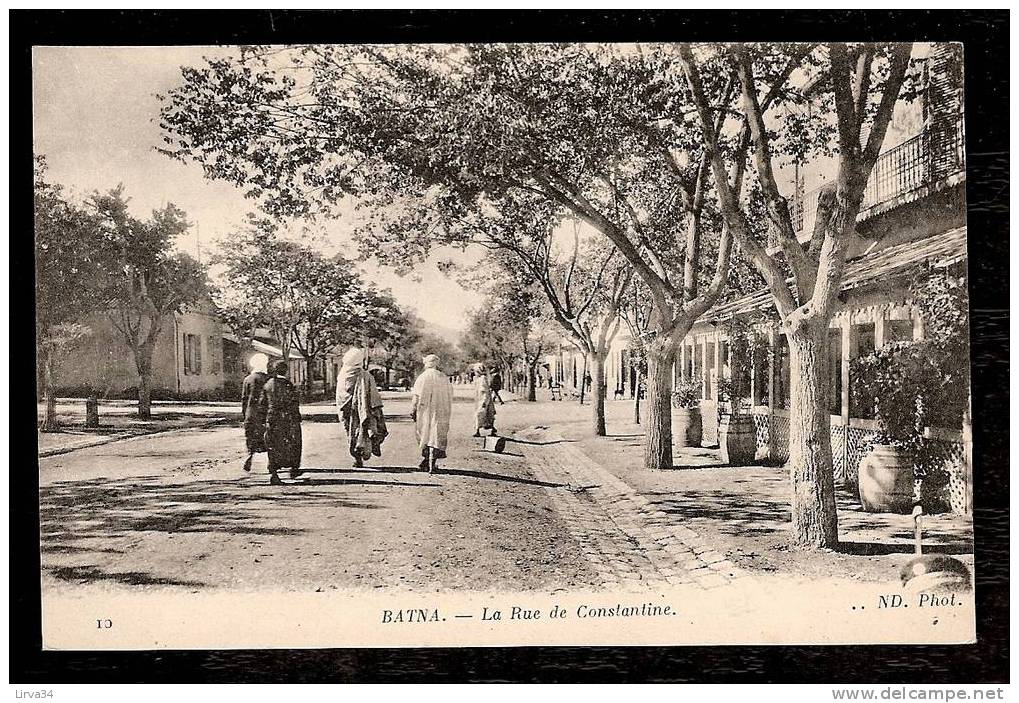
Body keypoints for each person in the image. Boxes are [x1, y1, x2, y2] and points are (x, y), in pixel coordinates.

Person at [335, 347, 388, 468]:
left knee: (351, 433)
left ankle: (357, 457)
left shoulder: (342, 375)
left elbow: (339, 396)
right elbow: (374, 395)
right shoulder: (365, 375)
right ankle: (369, 448)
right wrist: (375, 408)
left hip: (346, 410)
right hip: (362, 409)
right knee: (364, 431)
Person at [259, 361, 303, 485]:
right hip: (287, 419)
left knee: (273, 445)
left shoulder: (268, 385)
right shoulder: (288, 385)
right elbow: (294, 403)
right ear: (285, 371)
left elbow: (262, 404)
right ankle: (294, 468)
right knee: (292, 443)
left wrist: (263, 419)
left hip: (272, 418)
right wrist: (296, 417)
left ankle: (274, 473)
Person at [410, 354, 454, 473]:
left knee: (425, 434)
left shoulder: (422, 377)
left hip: (425, 411)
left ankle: (426, 461)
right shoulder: (443, 377)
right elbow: (450, 395)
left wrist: (413, 409)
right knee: (436, 435)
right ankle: (431, 463)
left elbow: (416, 396)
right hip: (440, 411)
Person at [240, 352, 270, 473]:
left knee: (251, 437)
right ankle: (270, 462)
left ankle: (250, 455)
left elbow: (244, 399)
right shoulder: (268, 379)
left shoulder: (247, 379)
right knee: (268, 438)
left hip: (251, 413)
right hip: (264, 413)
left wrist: (244, 414)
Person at [472, 362, 497, 437]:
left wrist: (484, 401)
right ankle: (491, 429)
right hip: (480, 399)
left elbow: (485, 391)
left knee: (480, 414)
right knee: (487, 414)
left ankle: (478, 431)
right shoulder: (479, 379)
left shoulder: (482, 379)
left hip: (483, 400)